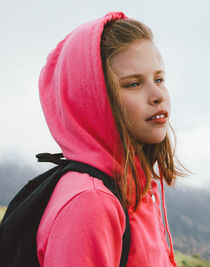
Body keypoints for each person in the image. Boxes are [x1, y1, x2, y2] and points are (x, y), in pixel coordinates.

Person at [36, 11, 184, 266]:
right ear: (93, 101)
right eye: (133, 84)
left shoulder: (133, 189)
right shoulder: (91, 203)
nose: (157, 94)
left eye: (159, 79)